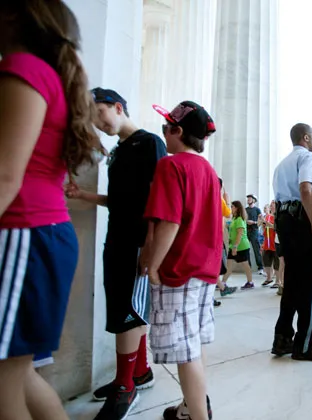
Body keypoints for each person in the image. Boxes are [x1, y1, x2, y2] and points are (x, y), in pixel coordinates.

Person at [0, 1, 101, 418]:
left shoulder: (24, 69)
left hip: (23, 232)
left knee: (6, 382)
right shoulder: (48, 76)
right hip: (37, 234)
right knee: (18, 375)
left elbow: (6, 173)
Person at [65, 88, 167, 414]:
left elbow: (160, 201)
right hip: (117, 239)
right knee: (123, 307)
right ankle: (140, 371)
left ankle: (126, 386)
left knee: (129, 313)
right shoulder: (119, 151)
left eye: (100, 114)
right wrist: (83, 195)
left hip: (139, 242)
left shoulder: (150, 143)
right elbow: (119, 200)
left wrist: (150, 248)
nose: (98, 123)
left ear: (118, 107)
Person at [143, 100, 220, 420]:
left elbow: (169, 223)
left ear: (178, 132)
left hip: (179, 269)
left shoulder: (171, 166)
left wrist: (153, 265)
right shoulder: (208, 171)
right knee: (194, 343)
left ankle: (198, 415)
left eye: (166, 128)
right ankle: (191, 406)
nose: (163, 134)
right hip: (204, 270)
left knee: (185, 353)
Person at [271, 123, 312, 361]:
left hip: (285, 222)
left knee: (293, 283)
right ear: (306, 137)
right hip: (303, 221)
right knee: (311, 285)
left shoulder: (281, 165)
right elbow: (306, 189)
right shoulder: (307, 158)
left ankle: (283, 338)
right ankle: (306, 344)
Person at [223, 201, 255, 290]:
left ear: (237, 208)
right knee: (229, 265)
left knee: (245, 264)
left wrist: (235, 246)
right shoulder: (234, 219)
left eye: (232, 206)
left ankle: (250, 282)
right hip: (233, 246)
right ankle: (223, 282)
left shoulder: (240, 219)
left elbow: (239, 234)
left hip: (241, 246)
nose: (231, 208)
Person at [261, 200, 279, 287]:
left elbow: (276, 227)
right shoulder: (267, 216)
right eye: (271, 205)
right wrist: (263, 224)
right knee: (266, 261)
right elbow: (265, 230)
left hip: (275, 242)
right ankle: (269, 278)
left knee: (277, 262)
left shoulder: (278, 217)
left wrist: (268, 224)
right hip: (267, 242)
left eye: (273, 205)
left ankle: (278, 281)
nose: (271, 207)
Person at [246, 194, 264, 274]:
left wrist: (254, 222)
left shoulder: (257, 210)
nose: (248, 199)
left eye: (250, 198)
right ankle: (248, 267)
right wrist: (247, 221)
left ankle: (260, 268)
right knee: (246, 250)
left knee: (256, 249)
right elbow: (242, 219)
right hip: (246, 231)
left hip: (254, 231)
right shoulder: (245, 209)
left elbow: (261, 220)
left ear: (254, 200)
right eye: (248, 198)